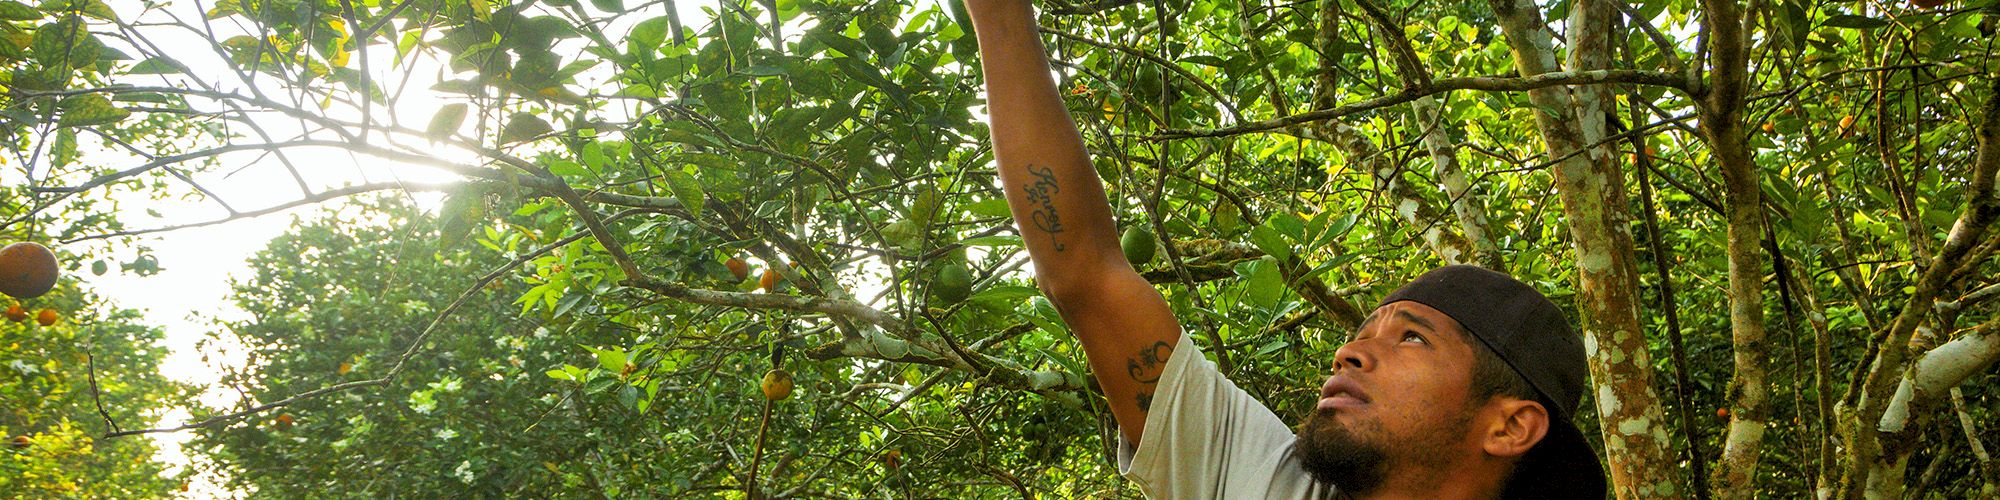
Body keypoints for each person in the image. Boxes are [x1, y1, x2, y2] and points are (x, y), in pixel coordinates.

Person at [962, 0, 1609, 498]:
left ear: (1509, 427)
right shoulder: (1268, 482)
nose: (1349, 351)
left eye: (1411, 338)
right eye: (1363, 331)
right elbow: (1085, 270)